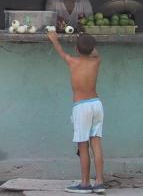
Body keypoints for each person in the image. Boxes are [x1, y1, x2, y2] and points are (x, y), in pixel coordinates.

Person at [47, 30, 105, 195]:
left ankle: (85, 184)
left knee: (83, 147)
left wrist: (54, 39)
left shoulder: (72, 61)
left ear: (76, 49)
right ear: (93, 48)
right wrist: (87, 41)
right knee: (96, 144)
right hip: (96, 104)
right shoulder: (97, 61)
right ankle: (99, 182)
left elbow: (60, 52)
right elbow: (94, 52)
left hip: (81, 107)